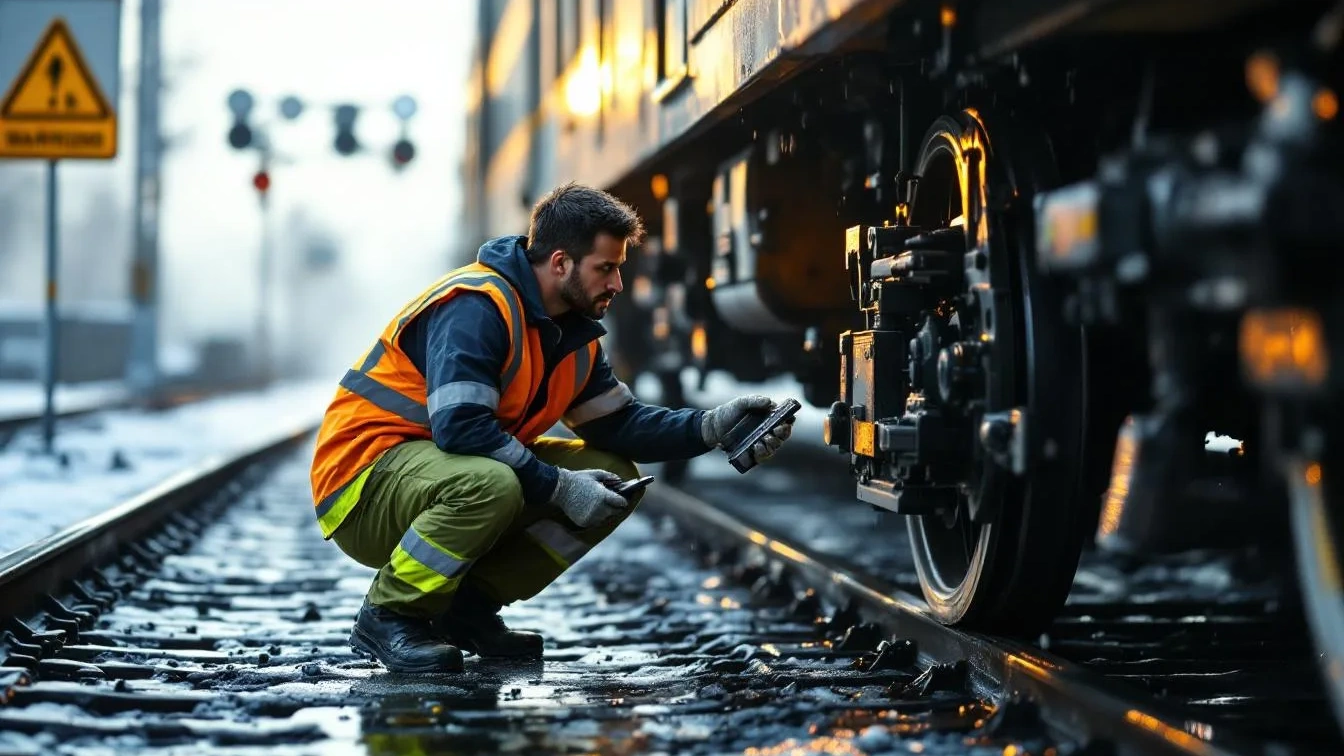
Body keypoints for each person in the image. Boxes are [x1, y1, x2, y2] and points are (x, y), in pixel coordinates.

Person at [309, 182, 795, 673]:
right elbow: (461, 429)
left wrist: (711, 427)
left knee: (611, 474)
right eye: (605, 268)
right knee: (491, 484)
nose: (617, 284)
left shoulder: (571, 334)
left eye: (619, 268)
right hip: (362, 486)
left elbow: (619, 426)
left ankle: (467, 610)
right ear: (561, 263)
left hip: (431, 474)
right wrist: (560, 487)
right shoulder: (477, 307)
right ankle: (390, 614)